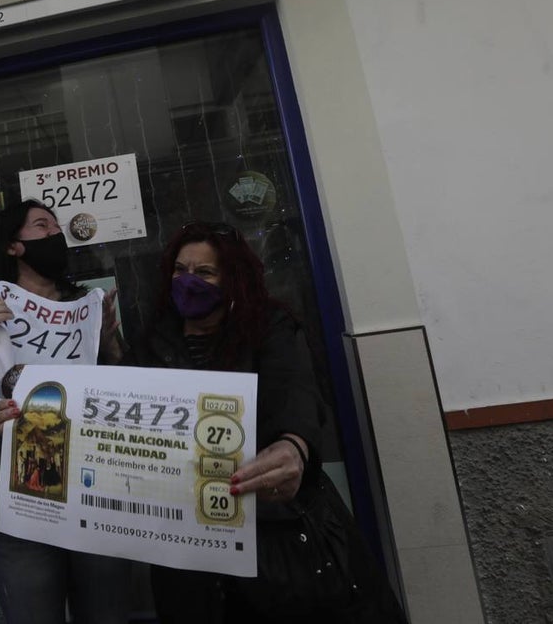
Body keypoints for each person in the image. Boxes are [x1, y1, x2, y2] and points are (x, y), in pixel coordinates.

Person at [131, 221, 407, 624]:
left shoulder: (270, 328)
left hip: (280, 537)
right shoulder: (153, 340)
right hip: (191, 549)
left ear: (233, 278)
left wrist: (293, 446)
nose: (189, 281)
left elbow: (296, 393)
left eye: (205, 272)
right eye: (180, 269)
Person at [0, 199, 130, 624]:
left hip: (94, 499)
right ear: (12, 246)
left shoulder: (87, 310)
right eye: (42, 226)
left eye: (57, 227)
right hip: (15, 515)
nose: (56, 233)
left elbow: (126, 407)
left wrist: (111, 346)